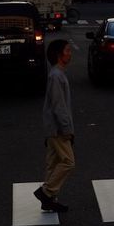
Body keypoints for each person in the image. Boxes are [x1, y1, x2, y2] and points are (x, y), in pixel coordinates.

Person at [34, 39, 74, 215]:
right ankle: (46, 192)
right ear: (59, 54)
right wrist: (67, 129)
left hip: (51, 127)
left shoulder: (56, 74)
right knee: (68, 162)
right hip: (58, 129)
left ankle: (50, 201)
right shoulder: (57, 76)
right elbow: (59, 106)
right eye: (67, 50)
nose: (70, 53)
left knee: (53, 163)